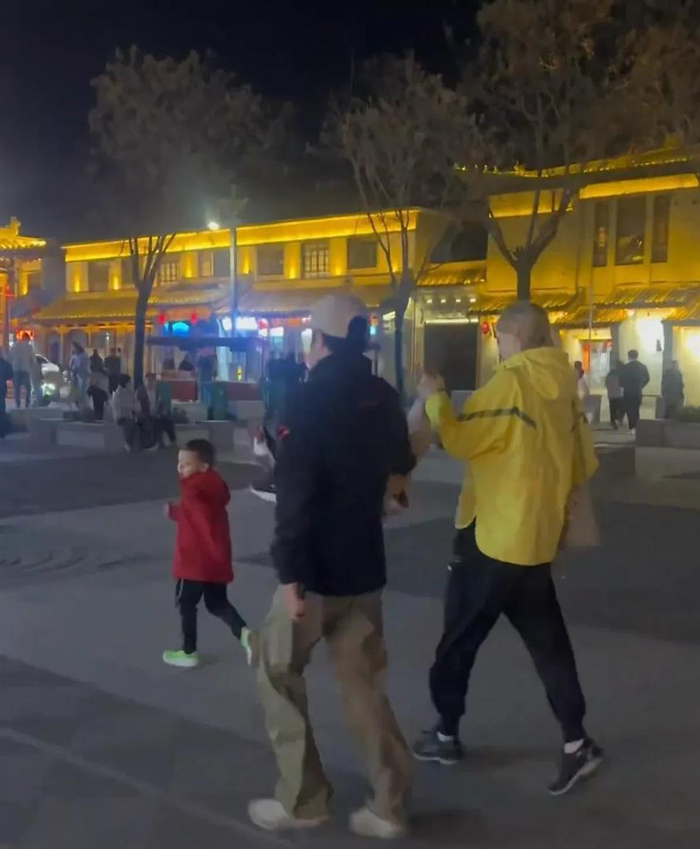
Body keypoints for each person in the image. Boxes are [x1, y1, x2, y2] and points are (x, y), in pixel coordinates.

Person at [413, 300, 602, 797]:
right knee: (549, 645)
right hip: (536, 540)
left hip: (491, 538)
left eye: (498, 338)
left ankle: (446, 733)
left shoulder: (511, 383)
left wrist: (434, 399)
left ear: (513, 336)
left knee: (457, 641)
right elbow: (584, 462)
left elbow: (459, 441)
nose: (497, 347)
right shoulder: (565, 388)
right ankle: (576, 741)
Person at [249, 294, 414, 839]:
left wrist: (291, 575)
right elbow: (401, 464)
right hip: (365, 566)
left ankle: (304, 798)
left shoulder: (307, 398)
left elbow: (295, 496)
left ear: (319, 339)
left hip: (315, 572)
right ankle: (389, 804)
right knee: (364, 685)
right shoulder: (383, 395)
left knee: (276, 670)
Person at [162, 439, 252, 668]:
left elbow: (200, 520)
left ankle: (188, 651)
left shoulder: (193, 490)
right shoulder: (213, 487)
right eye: (179, 463)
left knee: (186, 604)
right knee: (217, 603)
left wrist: (177, 512)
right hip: (215, 560)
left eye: (186, 464)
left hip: (193, 560)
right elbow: (197, 515)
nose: (180, 468)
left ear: (203, 467)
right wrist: (175, 512)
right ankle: (246, 635)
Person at [138, 373, 177, 448]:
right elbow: (139, 406)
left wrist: (161, 411)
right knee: (154, 422)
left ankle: (172, 440)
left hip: (156, 414)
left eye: (153, 380)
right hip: (145, 415)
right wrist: (150, 413)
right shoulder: (141, 392)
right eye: (149, 380)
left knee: (167, 420)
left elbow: (161, 404)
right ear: (144, 381)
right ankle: (155, 443)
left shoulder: (158, 392)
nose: (151, 383)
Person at [619, 349, 650, 432]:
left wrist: (624, 385)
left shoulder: (625, 367)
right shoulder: (642, 366)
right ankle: (636, 426)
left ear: (629, 356)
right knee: (636, 409)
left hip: (628, 392)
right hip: (637, 391)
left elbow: (620, 380)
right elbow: (647, 378)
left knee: (629, 409)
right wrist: (641, 385)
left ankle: (631, 427)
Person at [111, 374, 138, 451]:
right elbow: (121, 408)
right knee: (130, 424)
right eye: (129, 382)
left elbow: (135, 405)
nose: (131, 384)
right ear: (125, 383)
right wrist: (132, 409)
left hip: (131, 415)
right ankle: (128, 443)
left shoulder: (131, 393)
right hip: (121, 417)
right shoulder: (118, 394)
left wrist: (134, 410)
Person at [9, 333, 34, 409]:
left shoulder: (15, 346)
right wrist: (32, 368)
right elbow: (32, 359)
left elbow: (10, 357)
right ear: (27, 339)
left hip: (16, 369)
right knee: (28, 387)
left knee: (17, 388)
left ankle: (17, 403)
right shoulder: (29, 347)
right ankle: (27, 402)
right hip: (26, 369)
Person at [69, 341, 90, 409]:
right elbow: (71, 365)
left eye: (73, 348)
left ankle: (83, 407)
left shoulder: (82, 356)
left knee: (82, 393)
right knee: (77, 392)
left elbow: (81, 367)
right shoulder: (75, 356)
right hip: (76, 377)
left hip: (82, 376)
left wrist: (74, 368)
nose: (72, 349)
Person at [605, 360, 624, 429]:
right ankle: (619, 419)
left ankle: (613, 421)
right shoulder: (622, 374)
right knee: (622, 408)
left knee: (612, 408)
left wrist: (609, 389)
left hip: (611, 394)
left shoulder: (610, 373)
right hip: (620, 394)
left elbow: (606, 383)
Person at [0, 351, 13, 438]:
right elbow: (10, 376)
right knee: (1, 408)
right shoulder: (5, 364)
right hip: (1, 388)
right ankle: (2, 431)